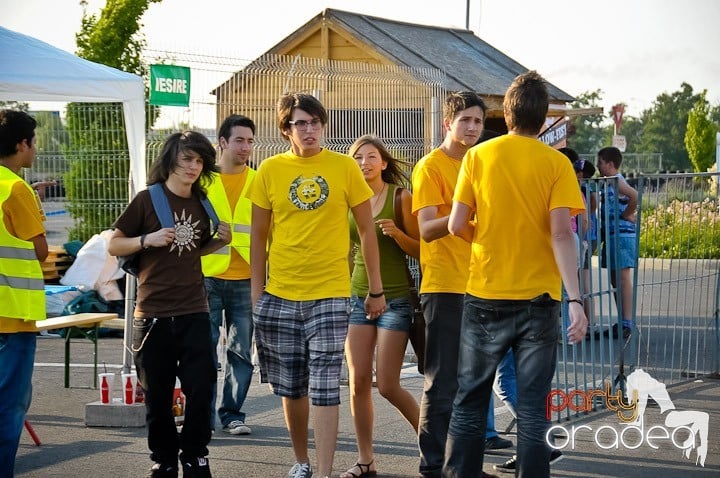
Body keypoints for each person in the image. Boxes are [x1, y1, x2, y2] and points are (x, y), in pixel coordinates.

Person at [443, 71, 588, 478]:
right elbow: (562, 233)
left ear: (504, 115)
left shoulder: (477, 157)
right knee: (532, 404)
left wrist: (487, 239)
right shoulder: (556, 163)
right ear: (542, 121)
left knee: (469, 399)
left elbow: (455, 225)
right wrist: (575, 300)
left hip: (486, 291)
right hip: (540, 299)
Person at [248, 93, 386, 478]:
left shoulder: (343, 167)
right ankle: (302, 462)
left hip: (330, 291)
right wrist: (257, 293)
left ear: (323, 125)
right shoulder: (270, 171)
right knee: (292, 388)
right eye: (300, 123)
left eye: (315, 122)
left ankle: (323, 472)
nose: (309, 130)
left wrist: (376, 289)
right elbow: (259, 236)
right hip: (280, 293)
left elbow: (365, 231)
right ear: (285, 129)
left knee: (325, 384)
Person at [108, 131, 231, 478]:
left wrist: (219, 242)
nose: (194, 167)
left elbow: (193, 248)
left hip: (195, 309)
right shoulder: (148, 199)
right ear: (170, 160)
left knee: (202, 388)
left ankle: (195, 456)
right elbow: (115, 245)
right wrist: (146, 238)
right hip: (153, 315)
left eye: (199, 161)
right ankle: (163, 459)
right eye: (187, 159)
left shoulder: (203, 201)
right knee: (157, 397)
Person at [411, 91, 503, 478]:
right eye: (465, 120)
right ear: (447, 123)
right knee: (442, 381)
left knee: (476, 383)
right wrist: (464, 221)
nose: (472, 128)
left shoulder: (482, 163)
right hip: (445, 286)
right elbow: (425, 228)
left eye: (478, 122)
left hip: (482, 283)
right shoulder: (431, 166)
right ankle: (433, 466)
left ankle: (465, 466)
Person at [340, 135, 420, 478]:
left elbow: (423, 250)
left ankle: (436, 449)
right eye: (358, 158)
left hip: (397, 297)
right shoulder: (347, 200)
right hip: (357, 297)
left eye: (371, 157)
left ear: (384, 163)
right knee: (357, 382)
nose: (364, 163)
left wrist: (398, 235)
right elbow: (344, 250)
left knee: (387, 384)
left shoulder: (401, 197)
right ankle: (365, 460)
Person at [201, 114, 256, 436]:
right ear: (221, 142)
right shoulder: (203, 181)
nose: (245, 147)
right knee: (203, 350)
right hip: (207, 275)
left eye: (249, 141)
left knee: (241, 351)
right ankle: (202, 414)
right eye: (239, 140)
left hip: (246, 277)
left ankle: (232, 414)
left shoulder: (258, 179)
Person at [0, 110, 47, 478]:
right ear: (21, 144)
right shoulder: (15, 188)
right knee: (9, 407)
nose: (36, 146)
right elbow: (39, 249)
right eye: (33, 139)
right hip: (11, 315)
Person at [595, 146, 638, 340]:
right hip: (613, 235)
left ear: (610, 164)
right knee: (615, 279)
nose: (598, 166)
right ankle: (622, 321)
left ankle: (626, 322)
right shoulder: (610, 182)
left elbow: (635, 196)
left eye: (601, 162)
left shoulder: (617, 182)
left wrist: (627, 214)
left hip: (621, 235)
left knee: (621, 278)